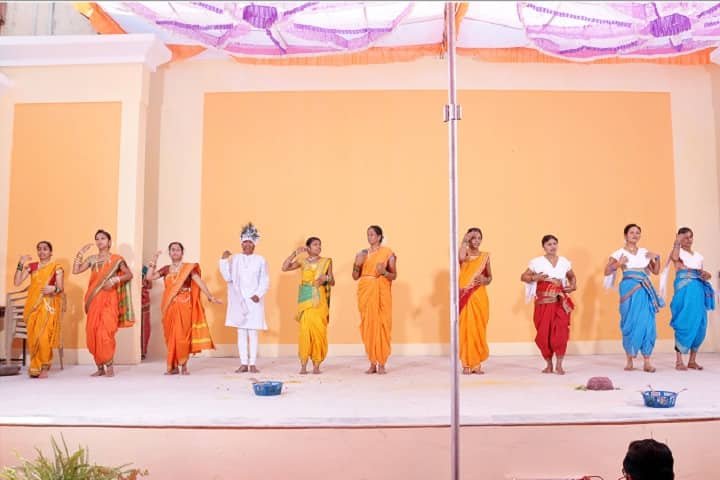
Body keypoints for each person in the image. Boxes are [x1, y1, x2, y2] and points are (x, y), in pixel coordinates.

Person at [146, 242, 220, 375]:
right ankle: (173, 367)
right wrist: (154, 259)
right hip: (169, 306)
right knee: (171, 337)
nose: (175, 252)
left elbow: (199, 282)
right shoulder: (166, 269)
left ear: (182, 252)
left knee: (183, 336)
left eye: (177, 250)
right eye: (172, 250)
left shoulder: (188, 268)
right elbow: (149, 277)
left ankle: (184, 364)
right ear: (169, 253)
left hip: (185, 305)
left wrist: (210, 296)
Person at [73, 229, 134, 377]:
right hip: (93, 299)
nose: (99, 241)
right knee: (92, 332)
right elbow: (76, 270)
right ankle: (100, 368)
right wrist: (80, 253)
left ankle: (109, 365)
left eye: (103, 238)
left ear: (109, 242)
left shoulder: (116, 259)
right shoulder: (92, 259)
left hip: (109, 299)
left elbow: (129, 274)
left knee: (105, 332)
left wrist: (114, 280)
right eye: (97, 239)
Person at [604, 224, 663, 373]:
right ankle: (629, 359)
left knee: (647, 323)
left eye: (638, 233)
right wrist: (619, 263)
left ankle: (647, 362)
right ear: (625, 235)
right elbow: (607, 271)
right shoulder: (619, 253)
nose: (635, 235)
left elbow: (656, 271)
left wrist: (657, 258)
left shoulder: (644, 252)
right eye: (632, 232)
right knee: (629, 322)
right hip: (628, 289)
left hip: (644, 288)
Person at [520, 234, 576, 375]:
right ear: (543, 247)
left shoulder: (564, 261)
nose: (552, 246)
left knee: (561, 333)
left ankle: (559, 365)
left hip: (560, 302)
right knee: (544, 334)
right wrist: (536, 277)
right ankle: (549, 364)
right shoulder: (536, 262)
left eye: (554, 244)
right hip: (543, 304)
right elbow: (523, 277)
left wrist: (573, 285)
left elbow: (572, 276)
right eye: (549, 244)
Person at [220, 223, 269, 374]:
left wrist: (258, 294)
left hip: (254, 300)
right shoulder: (235, 259)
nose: (247, 245)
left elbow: (265, 279)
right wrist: (223, 261)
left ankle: (252, 363)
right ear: (241, 243)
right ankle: (243, 363)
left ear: (254, 244)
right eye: (245, 242)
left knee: (253, 332)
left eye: (250, 242)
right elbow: (228, 277)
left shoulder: (260, 260)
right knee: (241, 332)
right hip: (239, 299)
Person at [281, 237, 334, 374]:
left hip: (319, 299)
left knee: (319, 331)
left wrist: (326, 278)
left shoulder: (326, 261)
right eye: (315, 245)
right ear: (308, 248)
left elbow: (332, 281)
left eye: (320, 245)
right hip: (305, 298)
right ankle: (303, 364)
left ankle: (317, 365)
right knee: (305, 331)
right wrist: (295, 253)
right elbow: (284, 268)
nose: (319, 247)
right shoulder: (302, 262)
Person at [664, 227, 715, 370]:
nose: (688, 240)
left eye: (690, 237)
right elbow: (675, 259)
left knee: (700, 323)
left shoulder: (698, 256)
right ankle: (679, 361)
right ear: (679, 237)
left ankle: (692, 360)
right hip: (684, 290)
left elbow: (701, 272)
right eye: (685, 237)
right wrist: (677, 242)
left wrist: (707, 275)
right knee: (684, 321)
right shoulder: (677, 251)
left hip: (698, 290)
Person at [13, 241, 64, 378]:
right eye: (39, 249)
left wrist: (53, 288)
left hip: (48, 305)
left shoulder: (56, 267)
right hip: (32, 306)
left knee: (43, 335)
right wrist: (20, 263)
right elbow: (17, 282)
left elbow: (61, 289)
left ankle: (45, 367)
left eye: (45, 249)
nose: (42, 251)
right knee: (33, 336)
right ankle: (36, 366)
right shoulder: (32, 267)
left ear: (51, 252)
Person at [352, 225, 396, 374]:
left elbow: (393, 275)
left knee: (382, 324)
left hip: (381, 291)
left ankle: (382, 363)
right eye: (368, 234)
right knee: (368, 325)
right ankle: (372, 362)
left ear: (379, 237)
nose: (369, 237)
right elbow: (355, 276)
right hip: (366, 291)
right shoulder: (362, 253)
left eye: (372, 234)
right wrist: (357, 264)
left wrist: (384, 272)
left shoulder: (388, 253)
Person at [458, 228, 492, 374]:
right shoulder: (465, 254)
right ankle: (466, 364)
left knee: (478, 328)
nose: (477, 241)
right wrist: (464, 240)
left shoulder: (485, 256)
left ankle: (476, 364)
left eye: (479, 238)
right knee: (466, 328)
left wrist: (484, 280)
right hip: (465, 296)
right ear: (468, 239)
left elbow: (490, 277)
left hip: (479, 295)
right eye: (473, 238)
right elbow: (461, 257)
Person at [140, 264, 152, 360]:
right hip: (129, 299)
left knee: (145, 326)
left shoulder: (144, 269)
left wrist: (144, 283)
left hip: (143, 300)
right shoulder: (125, 266)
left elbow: (150, 286)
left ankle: (143, 351)